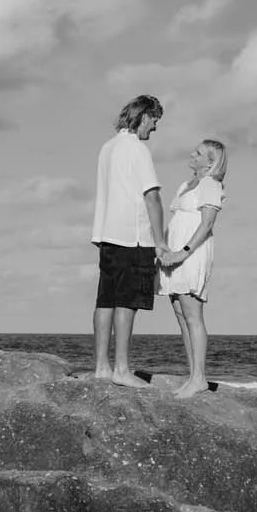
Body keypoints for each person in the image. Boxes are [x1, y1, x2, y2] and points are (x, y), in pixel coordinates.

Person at [91, 95, 169, 386]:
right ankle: (121, 370)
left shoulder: (107, 147)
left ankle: (102, 367)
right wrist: (160, 241)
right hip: (132, 237)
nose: (155, 127)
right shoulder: (137, 150)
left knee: (105, 300)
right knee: (127, 302)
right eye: (155, 120)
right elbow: (152, 196)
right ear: (143, 116)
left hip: (107, 235)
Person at [158, 138, 226, 398]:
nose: (191, 154)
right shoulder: (186, 185)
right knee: (180, 313)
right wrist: (163, 248)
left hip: (191, 253)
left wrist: (183, 253)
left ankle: (199, 378)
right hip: (173, 254)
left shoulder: (210, 184)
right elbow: (176, 219)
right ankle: (192, 375)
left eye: (198, 153)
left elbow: (207, 224)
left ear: (211, 161)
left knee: (192, 313)